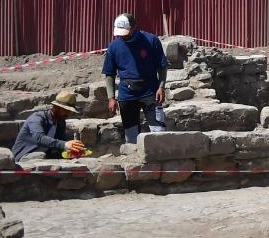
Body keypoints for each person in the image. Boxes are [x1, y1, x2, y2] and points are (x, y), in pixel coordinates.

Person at [101, 13, 168, 144]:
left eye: (126, 32)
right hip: (127, 95)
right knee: (131, 138)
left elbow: (162, 66)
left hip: (150, 91)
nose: (123, 35)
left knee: (159, 133)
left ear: (134, 27)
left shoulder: (151, 41)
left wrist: (162, 87)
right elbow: (110, 74)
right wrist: (111, 97)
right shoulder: (114, 47)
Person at [12, 90, 88, 163]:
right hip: (23, 156)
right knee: (41, 155)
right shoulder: (37, 118)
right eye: (66, 110)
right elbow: (39, 138)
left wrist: (73, 150)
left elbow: (60, 144)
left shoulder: (61, 122)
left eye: (70, 111)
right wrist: (65, 144)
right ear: (56, 107)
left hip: (44, 155)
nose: (68, 114)